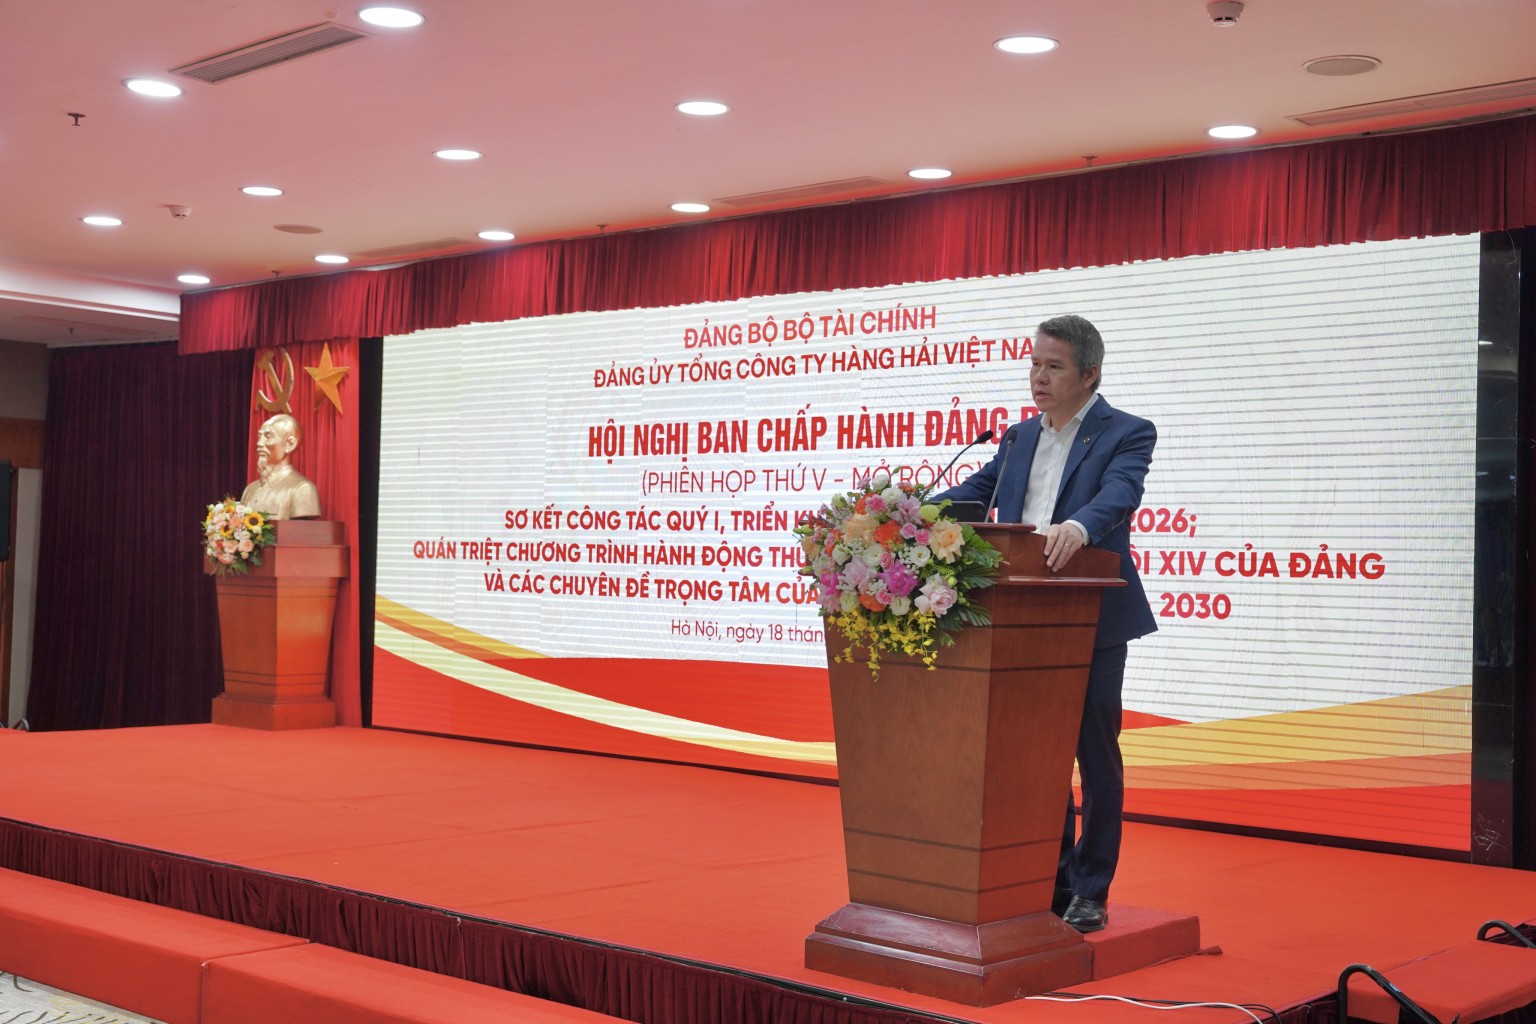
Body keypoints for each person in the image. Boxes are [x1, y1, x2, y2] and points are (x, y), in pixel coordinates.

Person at [932, 313, 1156, 933]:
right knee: (1035, 756)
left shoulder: (1127, 432)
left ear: (1090, 373)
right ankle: (1049, 877)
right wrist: (905, 511)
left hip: (1090, 615)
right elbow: (974, 493)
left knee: (1093, 754)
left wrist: (1079, 527)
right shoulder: (1016, 438)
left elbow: (1120, 494)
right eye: (1034, 364)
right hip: (1019, 617)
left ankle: (1091, 887)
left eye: (1053, 366)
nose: (1038, 377)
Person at [240, 413, 322, 520]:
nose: (259, 443)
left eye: (268, 436)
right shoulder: (250, 489)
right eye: (260, 436)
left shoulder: (302, 489)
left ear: (289, 444)